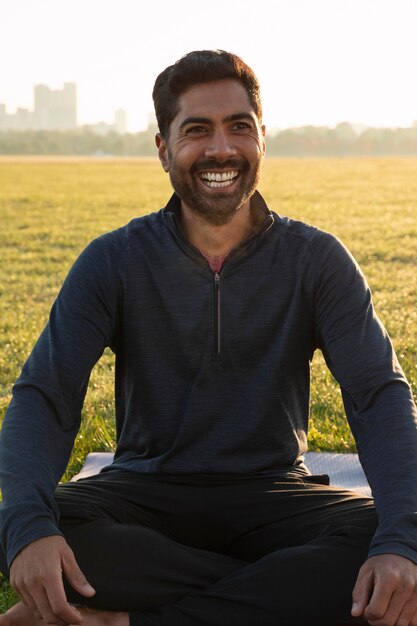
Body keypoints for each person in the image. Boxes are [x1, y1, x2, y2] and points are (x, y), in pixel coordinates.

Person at [1, 49, 417, 626]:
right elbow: (45, 394)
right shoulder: (113, 260)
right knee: (49, 523)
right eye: (197, 130)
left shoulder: (317, 260)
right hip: (144, 494)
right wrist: (28, 530)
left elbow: (378, 395)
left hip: (274, 494)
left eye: (239, 128)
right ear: (163, 148)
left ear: (262, 139)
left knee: (391, 533)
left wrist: (399, 544)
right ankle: (284, 593)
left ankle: (125, 620)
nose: (221, 149)